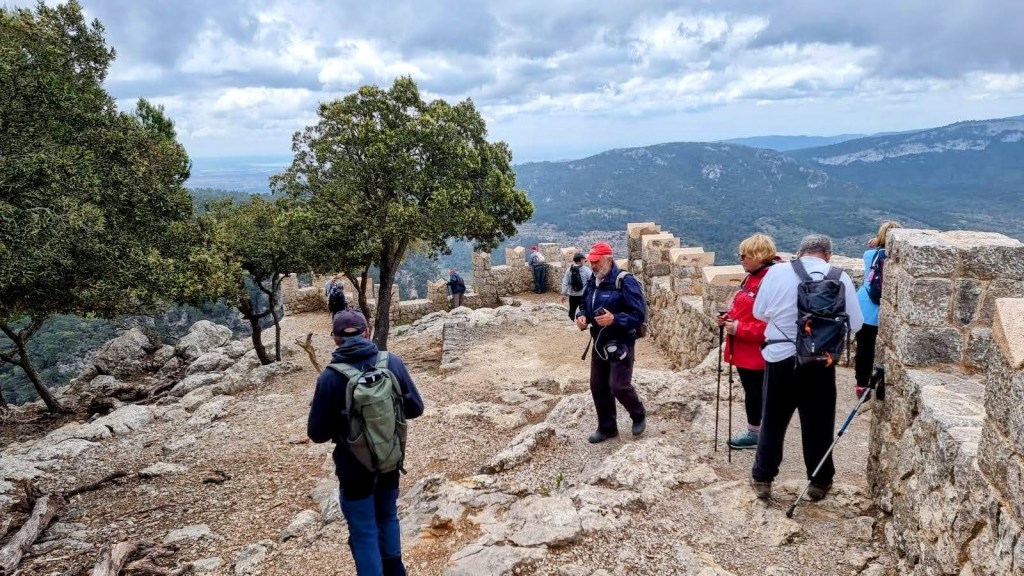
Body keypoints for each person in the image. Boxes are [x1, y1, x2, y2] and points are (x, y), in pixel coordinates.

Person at [308, 309, 425, 576]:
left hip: (353, 467)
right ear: (368, 332)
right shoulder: (391, 362)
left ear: (335, 339)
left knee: (364, 531)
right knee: (388, 516)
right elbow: (416, 408)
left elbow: (317, 433)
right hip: (389, 458)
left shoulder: (329, 377)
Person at [750, 234, 863, 501]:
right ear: (828, 255)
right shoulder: (839, 276)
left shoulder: (777, 272)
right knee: (819, 423)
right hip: (820, 360)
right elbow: (856, 324)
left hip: (780, 357)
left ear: (799, 252)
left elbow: (759, 312)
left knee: (773, 420)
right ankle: (819, 482)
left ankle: (763, 478)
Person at [575, 241, 648, 443]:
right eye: (591, 262)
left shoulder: (625, 281)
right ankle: (607, 428)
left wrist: (614, 319)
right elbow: (584, 304)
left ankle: (638, 414)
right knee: (597, 385)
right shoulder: (593, 280)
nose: (592, 265)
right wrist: (582, 316)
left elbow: (638, 315)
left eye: (596, 261)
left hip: (621, 341)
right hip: (599, 341)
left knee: (618, 386)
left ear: (608, 259)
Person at [717, 234, 780, 450]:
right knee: (753, 391)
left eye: (745, 255)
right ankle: (759, 431)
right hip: (744, 350)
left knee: (757, 393)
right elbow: (745, 308)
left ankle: (757, 434)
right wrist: (728, 318)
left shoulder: (770, 281)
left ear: (759, 255)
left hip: (757, 352)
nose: (741, 259)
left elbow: (771, 324)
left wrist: (738, 328)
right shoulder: (751, 278)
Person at [855, 221, 901, 396]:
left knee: (864, 347)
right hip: (888, 309)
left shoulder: (869, 255)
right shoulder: (898, 259)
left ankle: (861, 386)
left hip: (865, 307)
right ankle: (882, 382)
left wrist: (877, 242)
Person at [561, 252, 593, 321]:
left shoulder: (569, 270)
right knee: (583, 311)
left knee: (572, 310)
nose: (584, 260)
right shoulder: (586, 270)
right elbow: (592, 281)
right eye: (583, 259)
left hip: (573, 295)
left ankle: (571, 321)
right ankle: (583, 323)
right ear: (580, 260)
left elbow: (565, 282)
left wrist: (564, 294)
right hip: (583, 295)